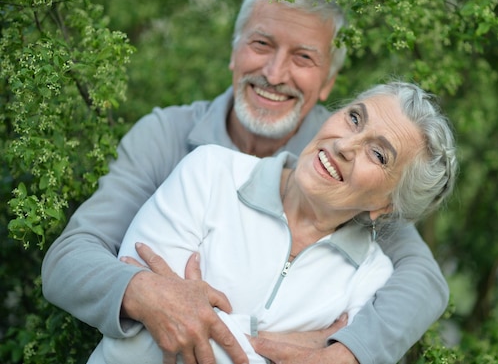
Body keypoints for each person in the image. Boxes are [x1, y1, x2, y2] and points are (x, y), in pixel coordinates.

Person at [41, 0, 451, 364]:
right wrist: (148, 293)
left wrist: (341, 352)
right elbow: (70, 261)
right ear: (234, 51)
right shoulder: (173, 139)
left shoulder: (347, 176)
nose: (274, 74)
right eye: (260, 44)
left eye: (303, 57)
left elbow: (423, 282)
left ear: (328, 82)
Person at [86, 81, 458, 364]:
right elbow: (141, 339)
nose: (345, 145)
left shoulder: (372, 279)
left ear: (386, 206)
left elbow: (180, 329)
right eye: (354, 118)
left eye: (378, 154)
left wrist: (199, 318)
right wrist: (286, 345)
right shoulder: (209, 171)